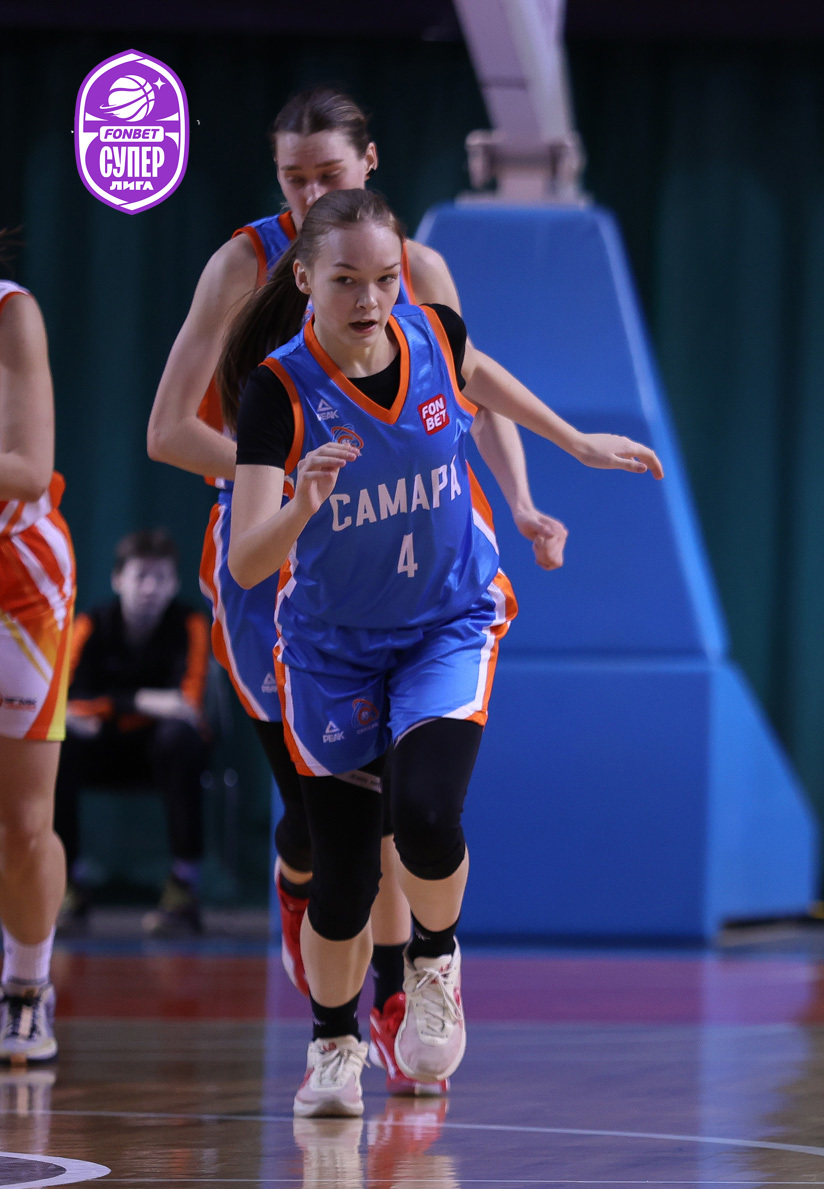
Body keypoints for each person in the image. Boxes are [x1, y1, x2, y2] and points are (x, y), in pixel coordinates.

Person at [145, 86, 567, 1096]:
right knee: (325, 826)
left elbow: (472, 388)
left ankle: (400, 990)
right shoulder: (246, 276)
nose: (307, 194)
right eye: (292, 179)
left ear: (368, 166)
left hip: (411, 567)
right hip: (287, 560)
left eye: (327, 175)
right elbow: (168, 432)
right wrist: (289, 477)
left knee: (408, 815)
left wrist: (523, 498)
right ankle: (325, 945)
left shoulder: (415, 277)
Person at [220, 188, 661, 1117]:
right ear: (304, 282)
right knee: (343, 884)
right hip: (333, 650)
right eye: (346, 281)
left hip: (445, 622)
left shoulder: (431, 334)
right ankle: (332, 1046)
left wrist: (573, 443)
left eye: (385, 278)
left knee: (424, 816)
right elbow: (249, 560)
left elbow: (481, 373)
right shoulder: (277, 392)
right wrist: (300, 506)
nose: (370, 299)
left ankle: (434, 958)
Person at [55, 530, 212, 934]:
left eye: (161, 577)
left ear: (174, 584)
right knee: (57, 742)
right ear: (117, 579)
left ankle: (182, 889)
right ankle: (70, 883)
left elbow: (187, 704)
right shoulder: (90, 623)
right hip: (101, 749)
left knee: (180, 738)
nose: (150, 588)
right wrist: (141, 701)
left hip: (161, 754)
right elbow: (66, 701)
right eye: (141, 576)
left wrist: (109, 706)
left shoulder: (191, 623)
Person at [0, 268, 74, 1066]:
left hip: (17, 581)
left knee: (21, 824)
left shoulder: (10, 311)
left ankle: (26, 984)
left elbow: (26, 467)